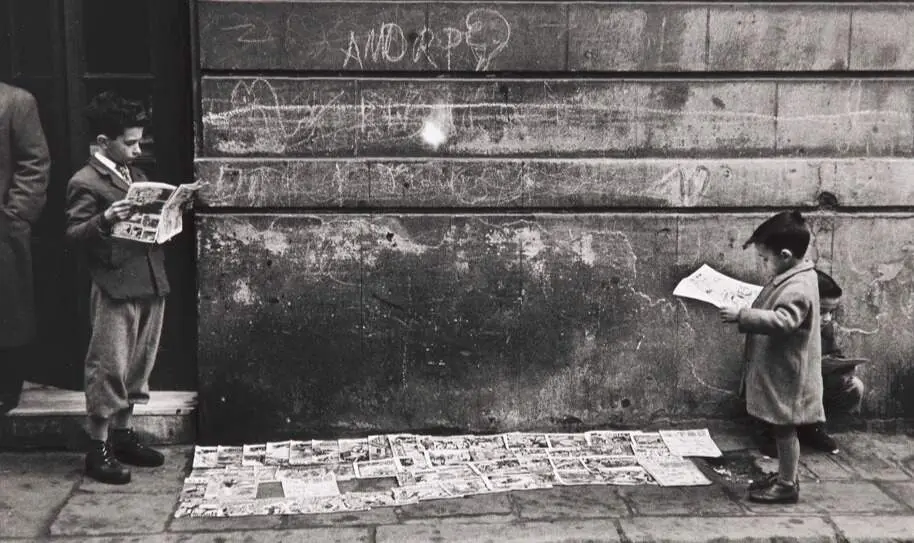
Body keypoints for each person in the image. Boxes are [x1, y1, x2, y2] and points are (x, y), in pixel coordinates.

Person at [65, 91, 169, 484]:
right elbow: (73, 235)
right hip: (113, 286)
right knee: (109, 366)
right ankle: (98, 449)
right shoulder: (84, 181)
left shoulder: (136, 177)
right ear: (103, 143)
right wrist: (106, 218)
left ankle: (124, 437)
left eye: (139, 141)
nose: (138, 149)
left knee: (138, 367)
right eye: (130, 142)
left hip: (148, 280)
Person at [720, 210, 823, 504]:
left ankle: (787, 484)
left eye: (766, 259)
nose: (764, 265)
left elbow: (784, 321)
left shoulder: (798, 287)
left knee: (784, 430)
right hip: (784, 370)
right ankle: (784, 476)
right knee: (782, 429)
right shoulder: (796, 275)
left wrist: (744, 315)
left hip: (789, 374)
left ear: (787, 254)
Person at [755, 269, 866, 457]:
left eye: (831, 312)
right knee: (785, 383)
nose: (828, 318)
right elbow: (767, 363)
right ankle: (772, 433)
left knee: (854, 386)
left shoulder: (825, 327)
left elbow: (833, 353)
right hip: (778, 385)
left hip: (810, 382)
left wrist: (840, 367)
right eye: (822, 311)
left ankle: (811, 428)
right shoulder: (782, 321)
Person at [0, 83, 51, 414]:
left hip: (1, 231)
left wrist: (14, 216)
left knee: (7, 316)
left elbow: (35, 165)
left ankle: (5, 391)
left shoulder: (15, 102)